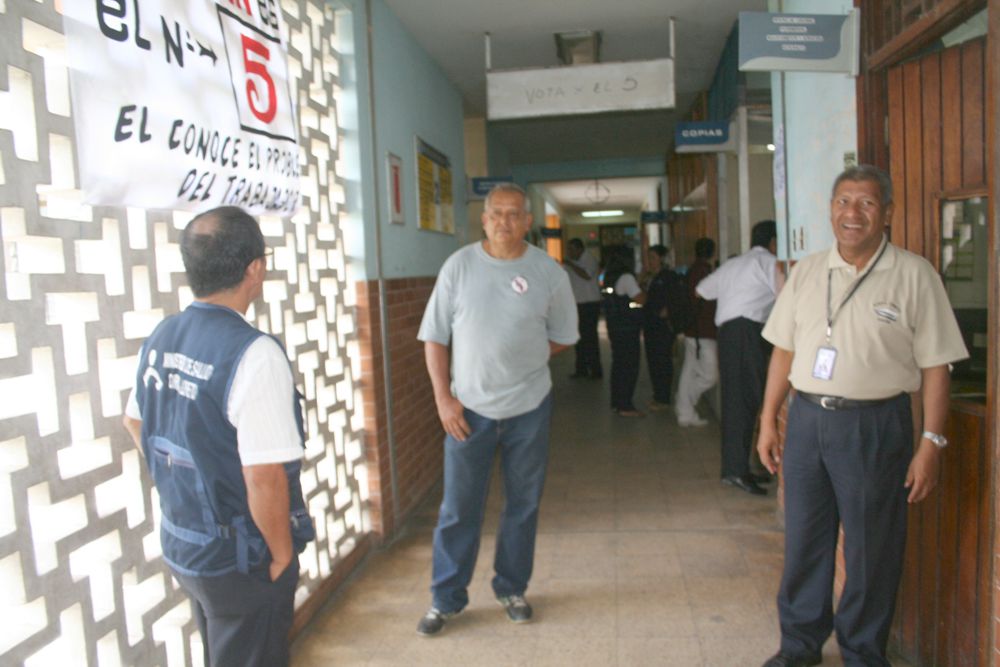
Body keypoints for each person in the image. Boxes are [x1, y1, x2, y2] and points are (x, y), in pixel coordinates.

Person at [756, 165, 968, 667]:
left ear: (887, 213)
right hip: (807, 421)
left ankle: (862, 652)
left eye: (867, 203)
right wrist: (769, 420)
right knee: (805, 539)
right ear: (831, 209)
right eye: (843, 201)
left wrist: (932, 442)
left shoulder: (915, 274)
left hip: (875, 425)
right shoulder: (807, 271)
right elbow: (783, 353)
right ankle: (799, 647)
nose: (853, 213)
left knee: (871, 549)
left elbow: (937, 367)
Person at [122, 206, 314, 667]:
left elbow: (134, 422)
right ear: (256, 268)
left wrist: (182, 486)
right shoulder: (254, 354)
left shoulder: (163, 335)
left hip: (186, 542)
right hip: (241, 556)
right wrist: (282, 557)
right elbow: (264, 477)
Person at [415, 183, 578, 636]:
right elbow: (435, 337)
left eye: (514, 214)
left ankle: (511, 587)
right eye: (496, 213)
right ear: (484, 219)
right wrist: (443, 399)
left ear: (528, 221)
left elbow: (565, 333)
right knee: (459, 507)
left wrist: (526, 359)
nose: (505, 221)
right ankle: (446, 598)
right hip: (468, 410)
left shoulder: (548, 272)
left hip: (530, 407)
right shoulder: (459, 267)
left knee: (522, 505)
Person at [696, 220, 782, 495]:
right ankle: (735, 471)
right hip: (747, 333)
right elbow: (786, 296)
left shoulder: (735, 264)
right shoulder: (768, 262)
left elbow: (702, 290)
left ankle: (740, 466)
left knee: (738, 400)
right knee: (744, 401)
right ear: (773, 241)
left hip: (729, 335)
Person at [674, 237, 718, 427]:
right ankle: (685, 405)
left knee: (689, 371)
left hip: (693, 329)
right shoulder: (704, 272)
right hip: (703, 330)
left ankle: (684, 411)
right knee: (710, 375)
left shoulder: (692, 270)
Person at [602, 245, 647, 417]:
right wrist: (642, 285)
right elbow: (640, 298)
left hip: (614, 326)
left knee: (618, 365)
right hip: (627, 327)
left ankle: (617, 402)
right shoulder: (627, 277)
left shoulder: (609, 276)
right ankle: (626, 405)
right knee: (629, 366)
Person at [640, 244, 678, 411]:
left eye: (653, 257)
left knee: (662, 360)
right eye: (649, 257)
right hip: (650, 324)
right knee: (653, 360)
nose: (650, 261)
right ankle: (658, 394)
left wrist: (668, 310)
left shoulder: (668, 276)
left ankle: (663, 398)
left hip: (662, 326)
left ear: (662, 259)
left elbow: (675, 297)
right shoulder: (650, 278)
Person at [563, 237, 603, 379]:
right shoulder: (569, 263)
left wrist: (570, 264)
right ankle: (581, 369)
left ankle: (595, 370)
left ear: (580, 249)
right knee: (579, 338)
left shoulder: (589, 259)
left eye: (571, 249)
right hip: (577, 304)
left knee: (590, 338)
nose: (569, 252)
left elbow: (586, 275)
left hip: (590, 304)